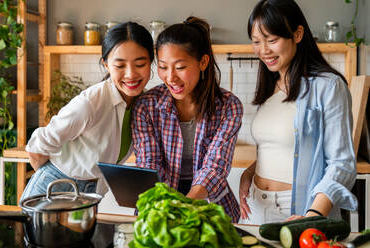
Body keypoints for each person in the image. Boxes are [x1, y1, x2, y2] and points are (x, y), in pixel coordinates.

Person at [239, 0, 358, 225]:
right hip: (254, 207)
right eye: (256, 42)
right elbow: (283, 147)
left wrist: (312, 216)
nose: (263, 50)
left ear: (298, 34)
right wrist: (249, 172)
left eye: (272, 40)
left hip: (302, 208)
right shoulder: (269, 86)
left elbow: (341, 163)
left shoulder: (328, 86)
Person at [21, 22, 154, 200]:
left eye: (140, 64)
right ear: (106, 65)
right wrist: (51, 177)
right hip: (55, 186)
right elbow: (38, 146)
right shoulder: (91, 102)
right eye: (120, 66)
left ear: (151, 62)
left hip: (92, 191)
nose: (130, 74)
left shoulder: (144, 104)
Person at [132, 16, 243, 222]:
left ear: (203, 62)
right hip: (160, 205)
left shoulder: (229, 106)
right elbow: (149, 164)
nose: (170, 77)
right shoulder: (146, 106)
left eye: (180, 67)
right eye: (163, 67)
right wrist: (169, 211)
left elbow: (215, 166)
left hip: (210, 206)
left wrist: (185, 208)